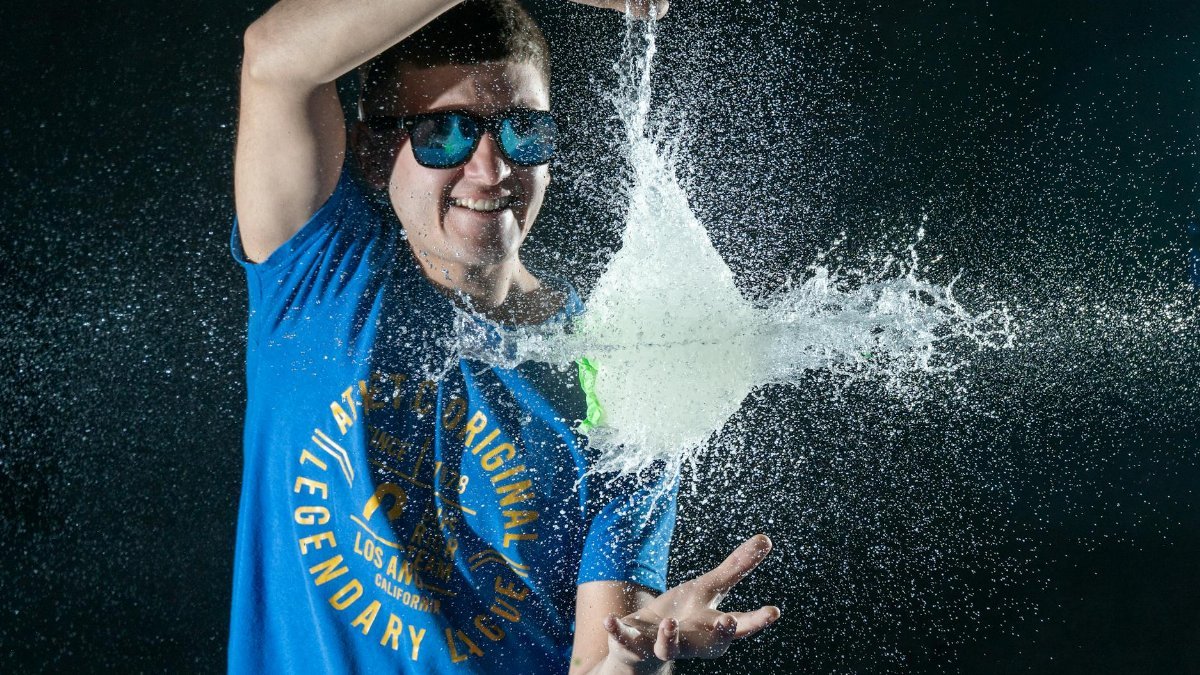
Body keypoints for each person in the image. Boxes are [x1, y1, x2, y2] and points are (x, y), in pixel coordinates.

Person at [230, 0, 780, 672]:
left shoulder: (621, 372)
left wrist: (638, 660)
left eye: (523, 131)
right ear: (376, 151)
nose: (491, 170)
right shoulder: (319, 275)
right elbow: (275, 59)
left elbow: (598, 660)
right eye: (445, 133)